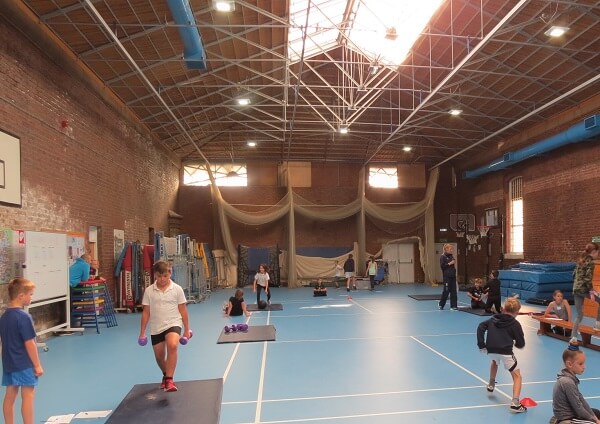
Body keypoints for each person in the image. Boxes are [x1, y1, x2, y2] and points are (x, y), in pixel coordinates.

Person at [139, 261, 190, 393]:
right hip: (156, 327)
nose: (162, 279)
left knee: (173, 345)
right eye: (159, 276)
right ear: (155, 275)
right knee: (160, 357)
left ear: (170, 274)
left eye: (165, 276)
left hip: (173, 323)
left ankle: (169, 380)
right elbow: (146, 312)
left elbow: (183, 310)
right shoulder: (149, 291)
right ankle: (165, 374)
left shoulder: (177, 289)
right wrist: (142, 333)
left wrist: (186, 330)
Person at [0, 278, 44, 424]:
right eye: (30, 294)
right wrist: (37, 365)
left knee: (10, 396)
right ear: (21, 296)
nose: (31, 297)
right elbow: (29, 343)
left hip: (9, 363)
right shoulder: (24, 317)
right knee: (28, 396)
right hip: (24, 364)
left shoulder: (4, 316)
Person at [477, 297, 527, 413]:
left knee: (494, 361)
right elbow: (521, 343)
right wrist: (517, 343)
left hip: (491, 350)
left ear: (503, 309)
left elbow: (480, 327)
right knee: (517, 376)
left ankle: (491, 383)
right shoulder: (515, 324)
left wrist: (481, 344)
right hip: (505, 352)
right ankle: (515, 403)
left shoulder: (493, 319)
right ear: (516, 312)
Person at [551, 344, 600, 424]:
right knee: (593, 423)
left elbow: (581, 400)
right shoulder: (567, 382)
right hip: (567, 418)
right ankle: (558, 422)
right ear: (569, 364)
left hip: (573, 413)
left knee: (596, 413)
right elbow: (578, 408)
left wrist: (594, 417)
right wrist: (595, 420)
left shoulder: (570, 377)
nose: (584, 367)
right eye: (580, 364)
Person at [571, 242, 600, 345]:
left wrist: (577, 287)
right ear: (594, 252)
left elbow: (574, 275)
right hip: (584, 289)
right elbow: (588, 278)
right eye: (598, 252)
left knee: (579, 315)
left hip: (576, 289)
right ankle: (597, 324)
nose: (598, 255)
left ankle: (573, 337)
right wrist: (591, 291)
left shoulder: (580, 260)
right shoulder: (590, 262)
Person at [438, 244, 457, 310]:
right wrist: (450, 263)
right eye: (450, 249)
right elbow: (442, 266)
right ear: (446, 249)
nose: (452, 250)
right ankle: (441, 304)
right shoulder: (442, 257)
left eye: (452, 249)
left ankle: (453, 306)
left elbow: (453, 261)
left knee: (453, 291)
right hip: (447, 277)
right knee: (446, 291)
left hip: (453, 277)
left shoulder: (451, 256)